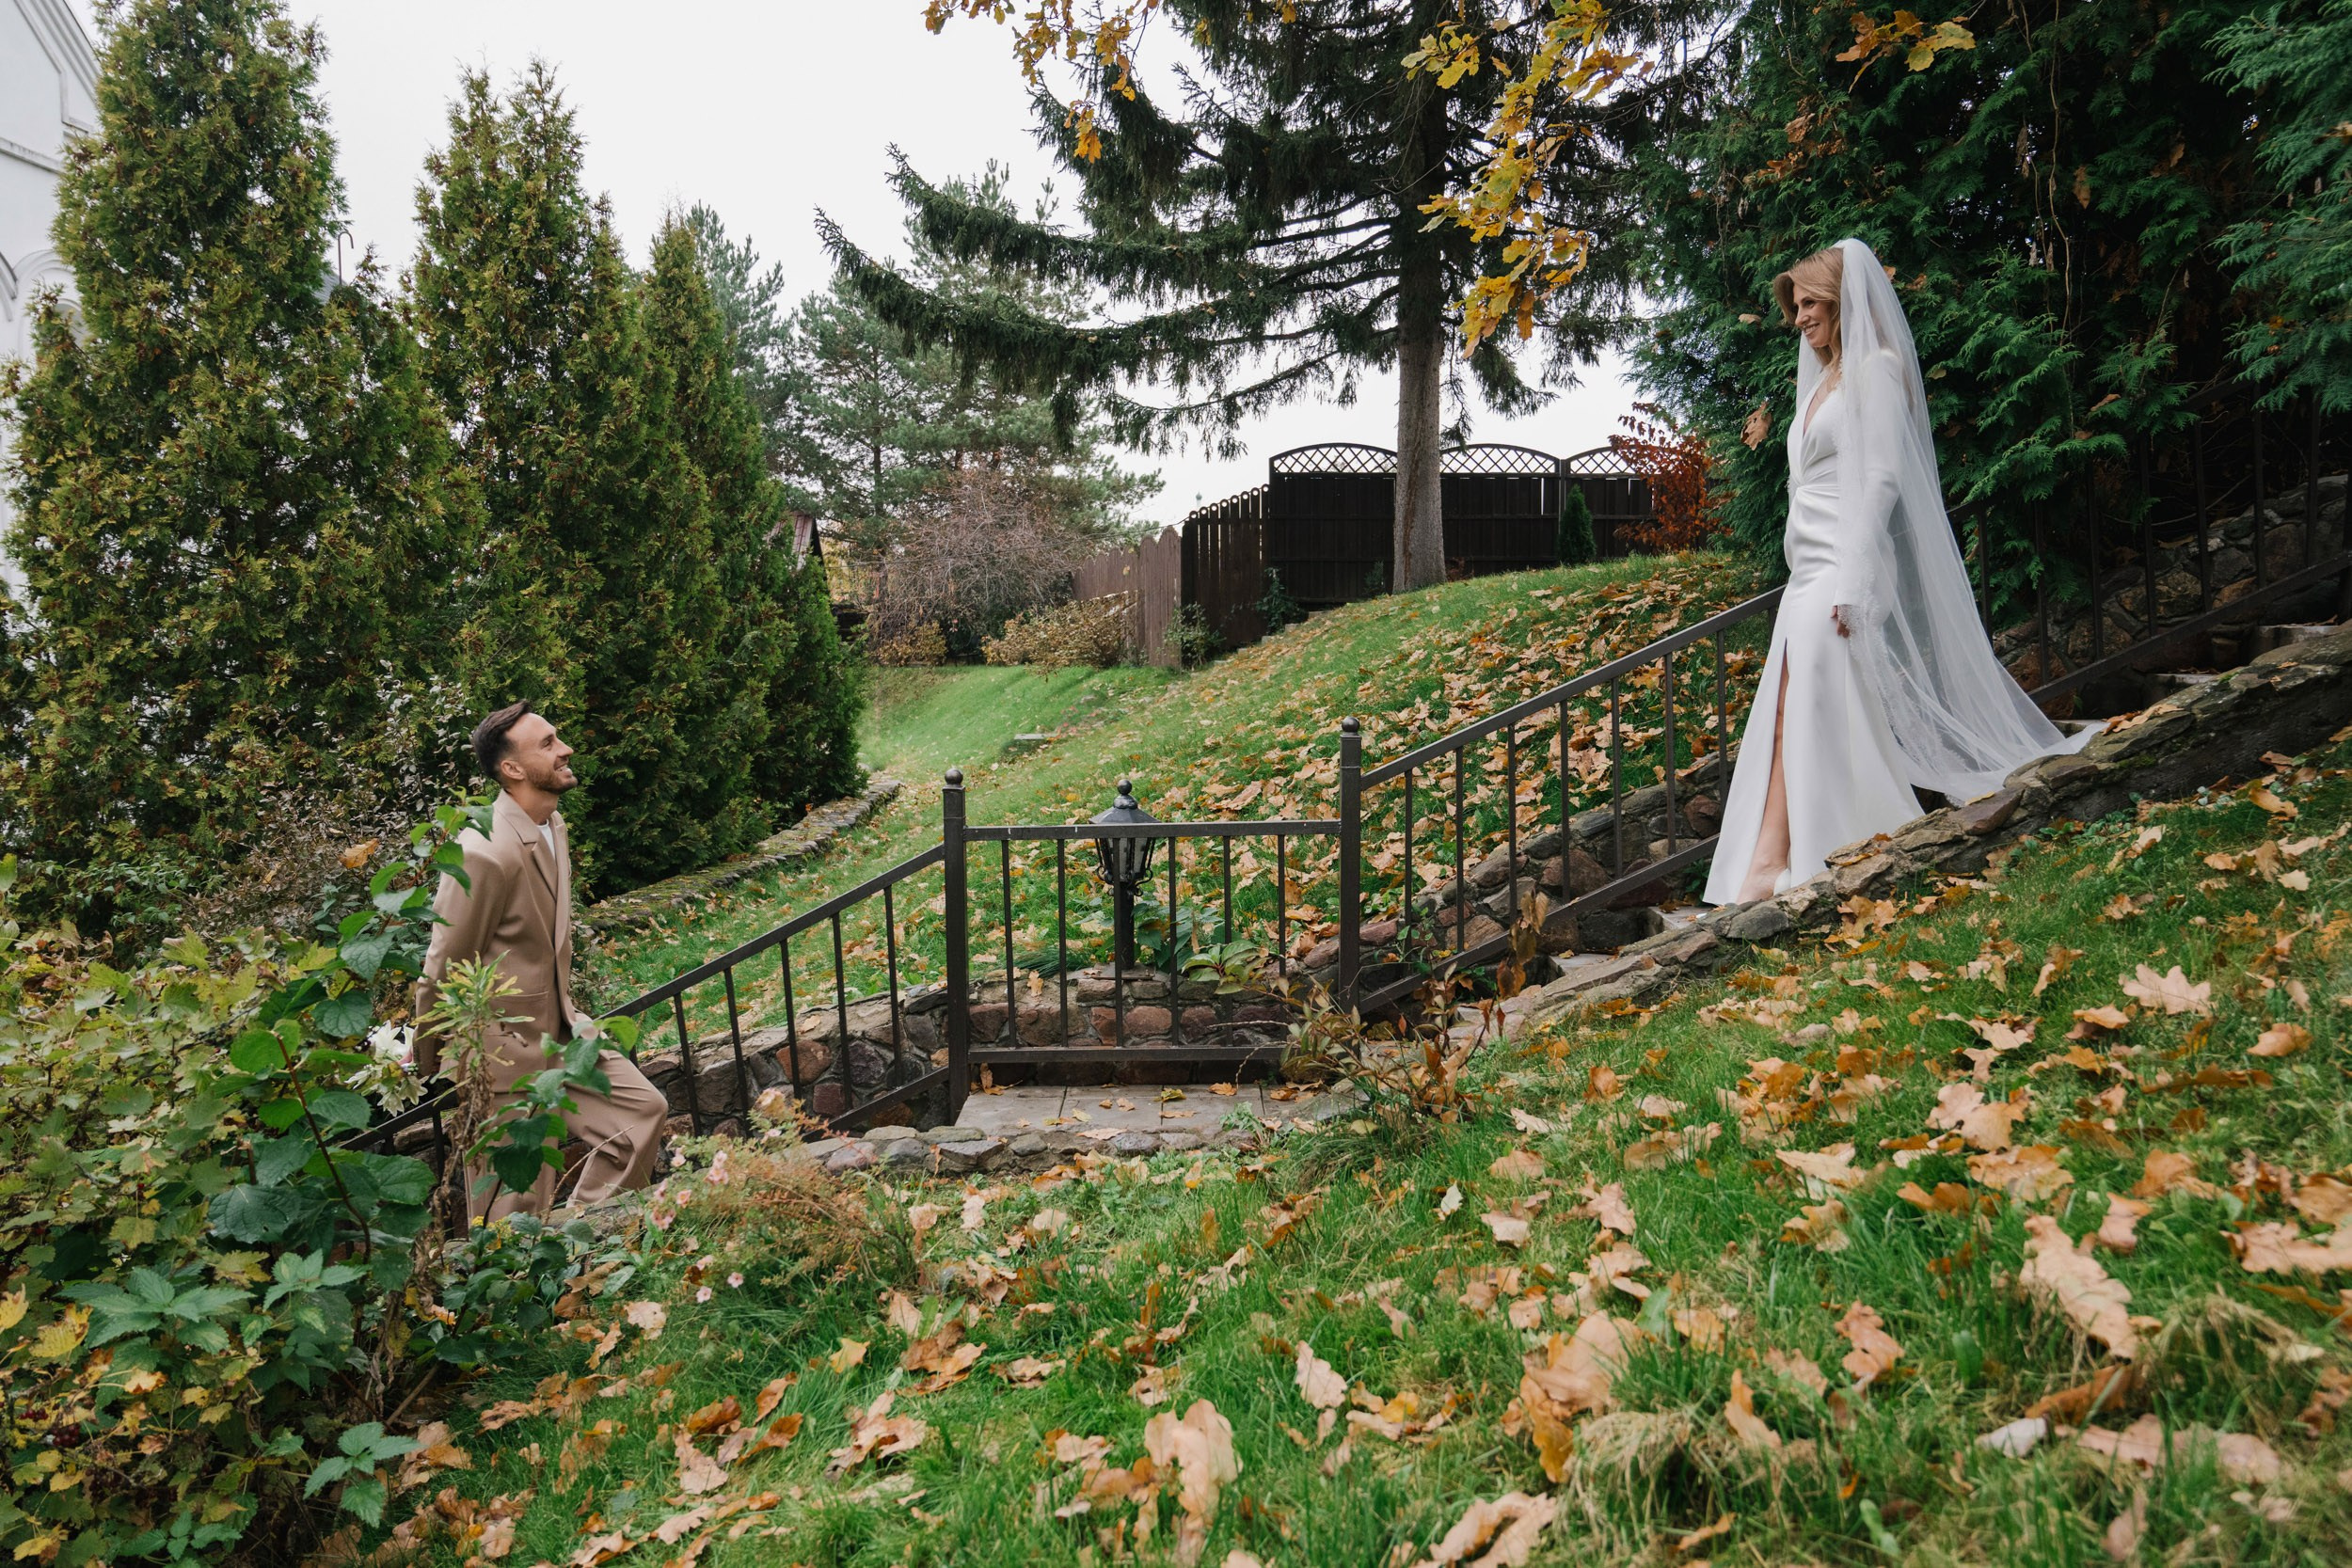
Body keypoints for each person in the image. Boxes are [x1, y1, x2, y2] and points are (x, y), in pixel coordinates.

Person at [1705, 239, 2102, 906]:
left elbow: (1884, 476)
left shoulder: (1877, 370)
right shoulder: (1823, 379)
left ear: (1839, 299)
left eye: (1809, 303)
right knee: (1785, 712)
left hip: (1843, 571)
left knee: (1807, 711)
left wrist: (1857, 581)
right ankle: (1769, 863)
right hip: (1809, 572)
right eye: (1795, 307)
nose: (1798, 318)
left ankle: (1824, 847)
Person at [414, 702, 667, 1220]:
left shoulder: (554, 826)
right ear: (511, 769)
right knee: (513, 1204)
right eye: (548, 743)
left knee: (642, 1115)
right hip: (500, 1053)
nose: (566, 749)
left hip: (562, 1034)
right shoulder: (480, 851)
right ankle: (516, 1291)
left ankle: (582, 1250)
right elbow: (444, 964)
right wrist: (427, 1063)